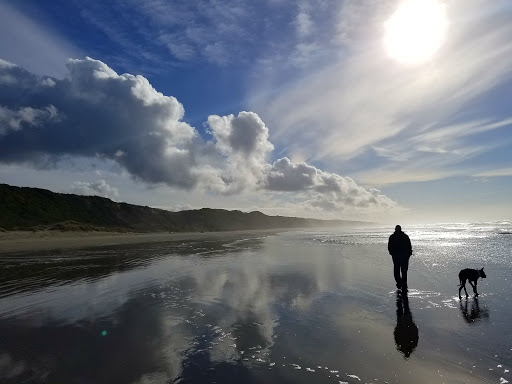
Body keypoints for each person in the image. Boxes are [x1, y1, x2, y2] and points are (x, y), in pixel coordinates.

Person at [388, 225, 412, 291]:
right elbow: (409, 247)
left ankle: (400, 283)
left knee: (397, 270)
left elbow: (389, 247)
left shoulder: (392, 237)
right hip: (403, 256)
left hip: (397, 256)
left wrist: (391, 253)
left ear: (395, 229)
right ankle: (403, 283)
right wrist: (409, 254)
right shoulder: (405, 236)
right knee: (403, 270)